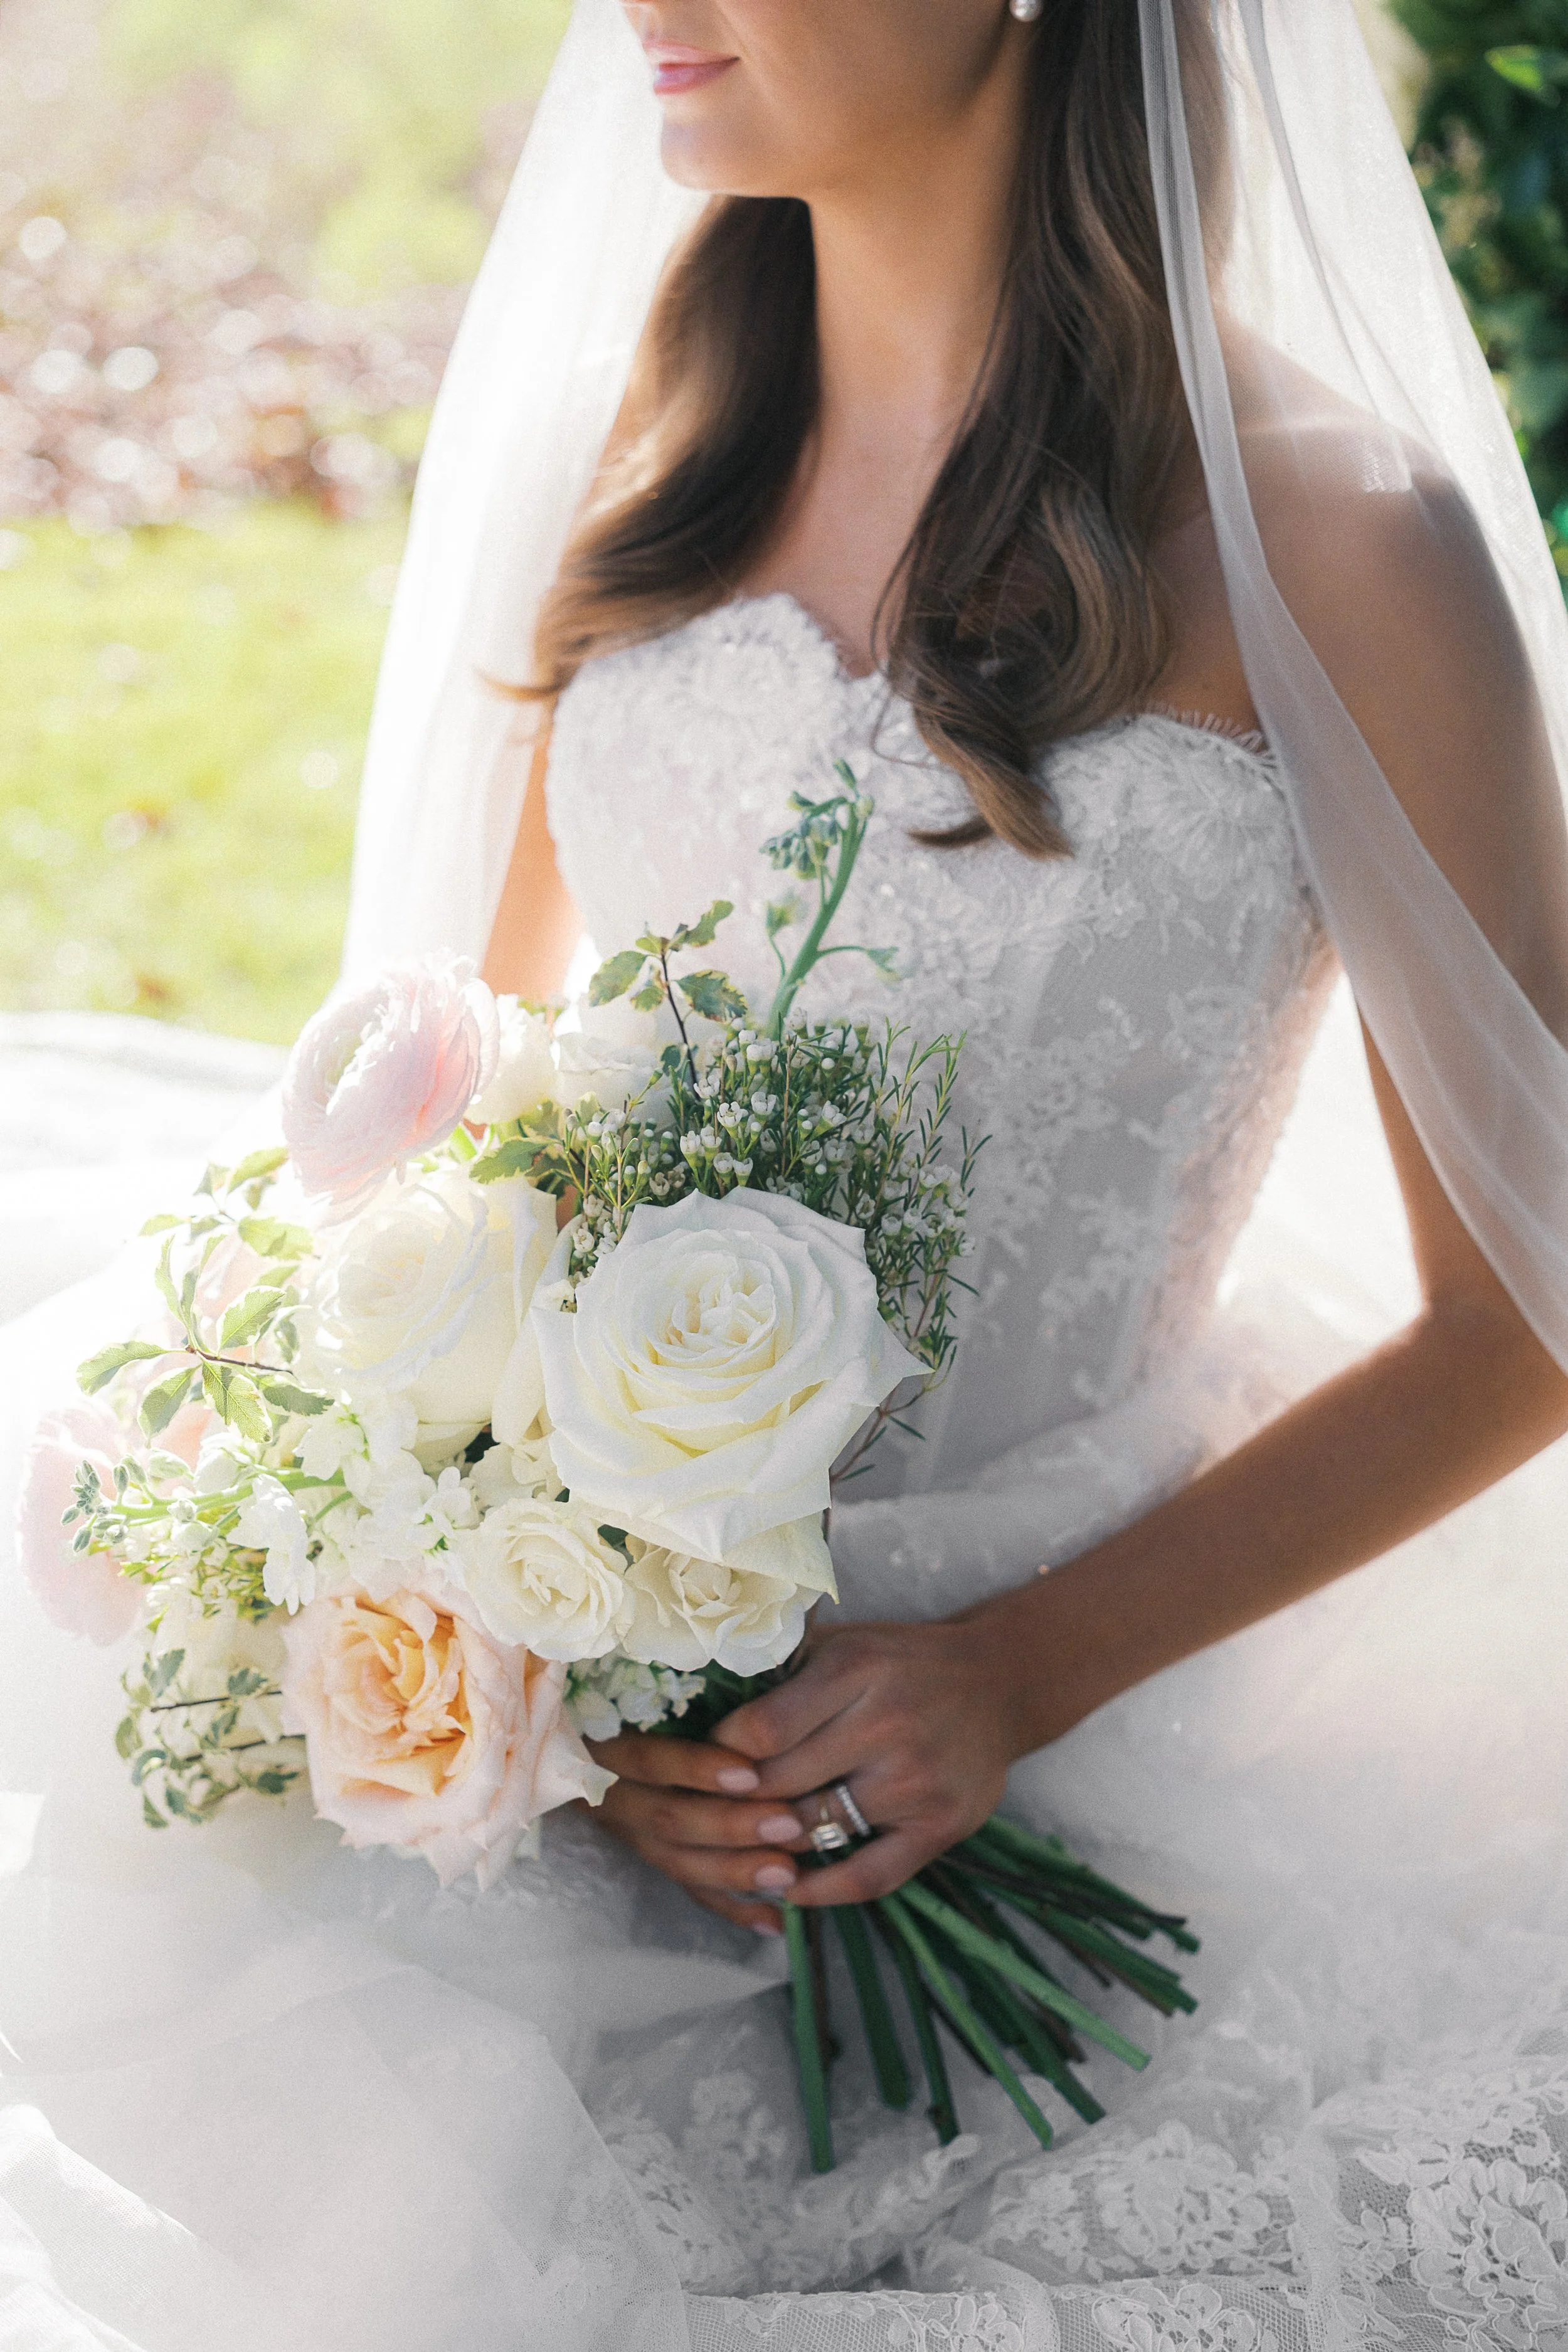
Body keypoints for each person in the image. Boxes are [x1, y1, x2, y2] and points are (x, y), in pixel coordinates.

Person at [4, 4, 1568, 2346]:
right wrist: (548, 1679)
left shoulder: (1336, 544)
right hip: (611, 1741)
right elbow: (454, 1132)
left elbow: (1527, 1301)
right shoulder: (637, 474)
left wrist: (1015, 1669)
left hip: (1099, 1693)